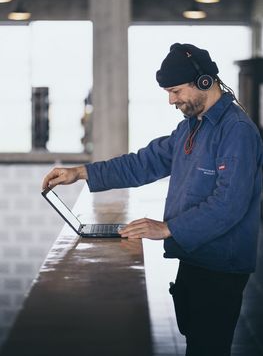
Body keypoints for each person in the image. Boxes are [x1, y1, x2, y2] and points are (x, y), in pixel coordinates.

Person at [42, 43, 263, 356]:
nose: (171, 100)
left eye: (175, 91)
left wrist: (167, 228)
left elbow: (229, 204)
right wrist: (81, 172)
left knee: (209, 347)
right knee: (197, 344)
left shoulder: (236, 131)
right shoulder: (191, 128)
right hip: (195, 256)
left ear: (204, 82)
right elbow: (142, 163)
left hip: (220, 266)